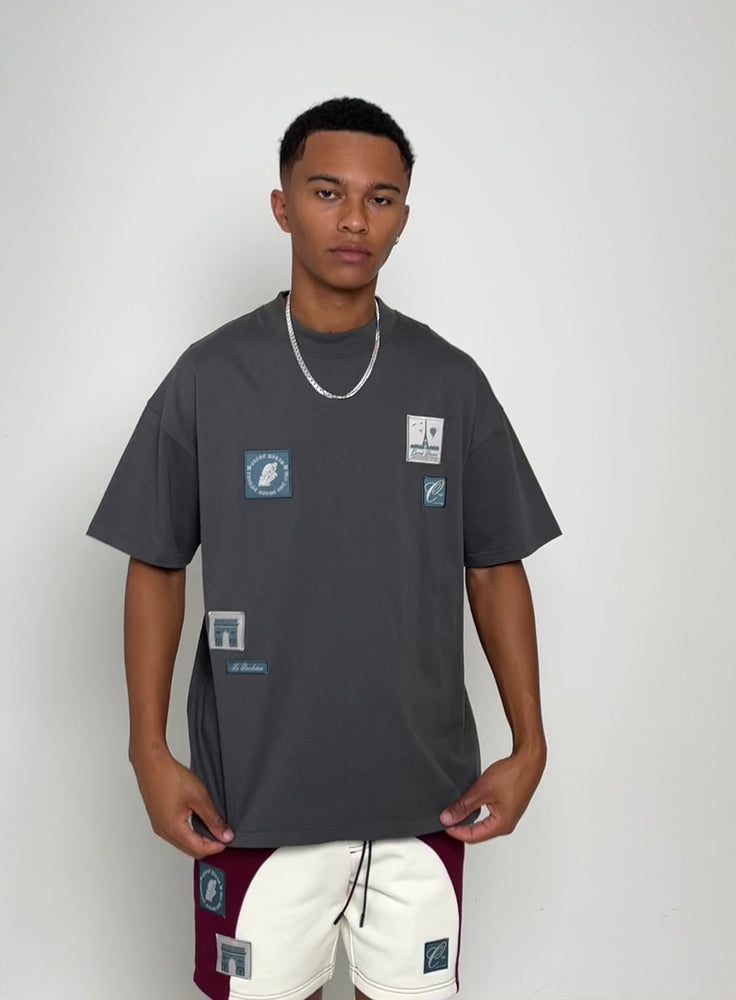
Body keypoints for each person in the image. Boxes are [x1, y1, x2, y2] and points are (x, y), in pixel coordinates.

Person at [87, 96, 562, 1000]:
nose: (354, 219)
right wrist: (149, 751)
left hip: (426, 805)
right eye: (327, 192)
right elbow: (154, 561)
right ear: (282, 206)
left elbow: (496, 563)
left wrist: (530, 743)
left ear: (404, 217)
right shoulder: (209, 377)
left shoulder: (451, 382)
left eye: (381, 199)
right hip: (251, 805)